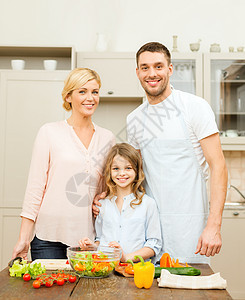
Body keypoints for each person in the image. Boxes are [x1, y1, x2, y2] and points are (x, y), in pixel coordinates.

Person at [94, 42, 228, 264]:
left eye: (158, 66)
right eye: (145, 67)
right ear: (137, 72)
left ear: (170, 69)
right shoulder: (134, 119)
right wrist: (107, 196)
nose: (152, 73)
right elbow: (134, 173)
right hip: (144, 231)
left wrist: (213, 226)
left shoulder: (194, 107)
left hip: (189, 227)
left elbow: (218, 166)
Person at [12, 68, 115, 260]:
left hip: (88, 240)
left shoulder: (107, 138)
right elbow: (35, 188)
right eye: (82, 92)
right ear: (68, 96)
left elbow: (108, 187)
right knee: (49, 290)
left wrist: (103, 197)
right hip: (47, 238)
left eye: (95, 92)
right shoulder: (49, 132)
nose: (90, 98)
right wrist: (24, 238)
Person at [80, 143, 162, 262]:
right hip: (107, 269)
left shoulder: (148, 204)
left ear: (137, 170)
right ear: (110, 171)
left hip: (135, 271)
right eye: (116, 168)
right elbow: (101, 239)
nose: (122, 173)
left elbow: (154, 245)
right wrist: (92, 246)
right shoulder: (102, 204)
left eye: (128, 168)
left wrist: (125, 258)